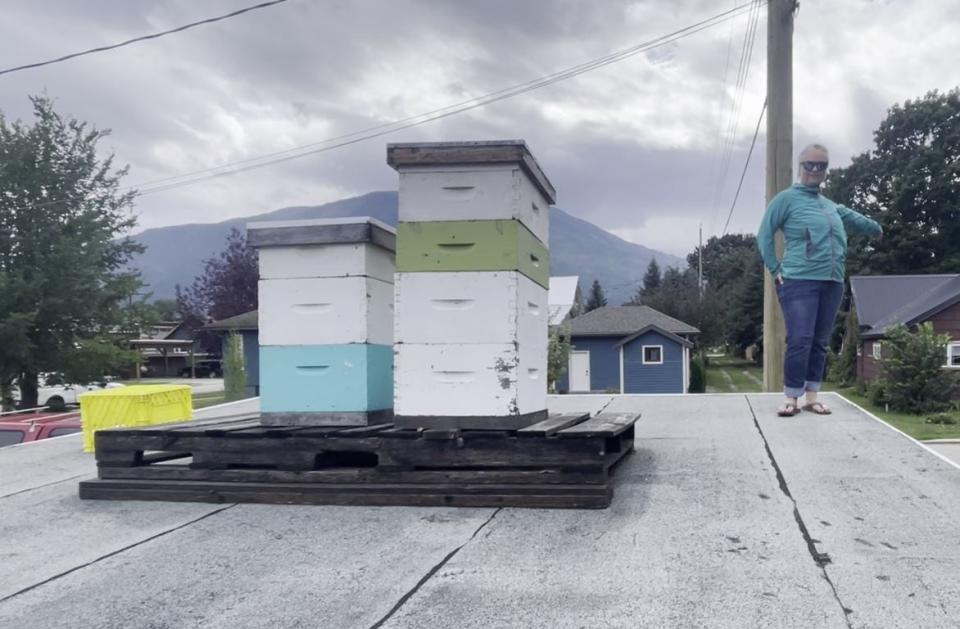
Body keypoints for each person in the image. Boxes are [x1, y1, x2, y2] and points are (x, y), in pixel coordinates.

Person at [757, 143, 882, 417]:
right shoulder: (786, 199)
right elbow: (764, 234)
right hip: (798, 280)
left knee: (820, 341)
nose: (815, 170)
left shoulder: (830, 206)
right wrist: (774, 267)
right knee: (800, 338)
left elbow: (857, 219)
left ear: (826, 170)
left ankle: (812, 397)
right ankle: (791, 397)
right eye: (809, 165)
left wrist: (877, 228)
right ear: (801, 167)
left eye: (821, 165)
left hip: (832, 282)